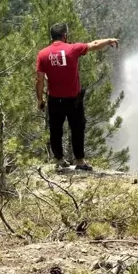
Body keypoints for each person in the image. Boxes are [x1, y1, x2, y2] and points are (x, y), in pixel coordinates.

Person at [35, 23, 118, 171]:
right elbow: (94, 44)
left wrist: (40, 100)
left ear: (52, 36)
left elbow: (39, 80)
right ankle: (80, 161)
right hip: (74, 100)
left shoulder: (43, 54)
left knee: (56, 130)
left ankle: (59, 160)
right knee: (77, 129)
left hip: (54, 100)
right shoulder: (72, 49)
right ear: (65, 35)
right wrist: (109, 40)